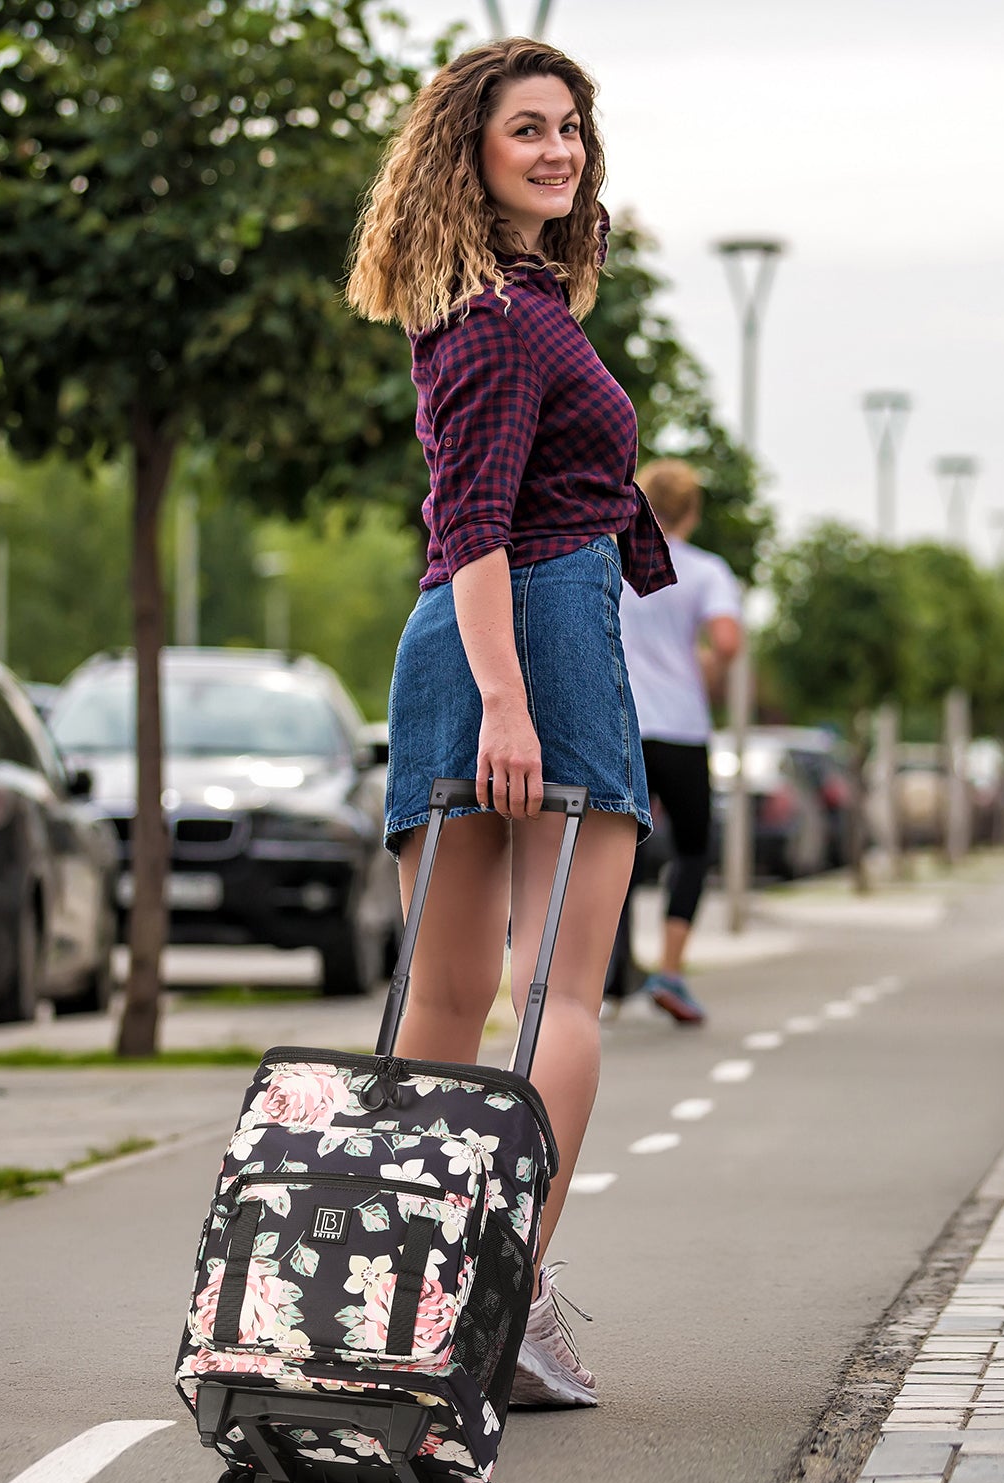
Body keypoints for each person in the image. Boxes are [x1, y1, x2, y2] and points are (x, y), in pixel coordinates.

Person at [347, 38, 675, 1408]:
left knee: (450, 992)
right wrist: (510, 702)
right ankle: (500, 1298)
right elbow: (473, 521)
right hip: (522, 635)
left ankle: (404, 1291)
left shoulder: (492, 303)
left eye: (570, 130)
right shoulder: (500, 315)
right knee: (559, 987)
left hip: (483, 636)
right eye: (527, 129)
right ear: (469, 155)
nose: (557, 150)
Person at [608, 459, 742, 1025]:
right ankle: (670, 969)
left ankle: (606, 977)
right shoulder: (707, 571)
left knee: (614, 848)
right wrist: (705, 671)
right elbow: (728, 640)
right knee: (692, 847)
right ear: (691, 511)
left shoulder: (613, 560)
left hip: (619, 720)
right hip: (683, 727)